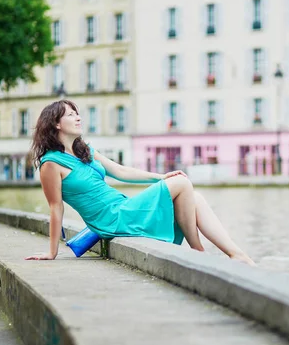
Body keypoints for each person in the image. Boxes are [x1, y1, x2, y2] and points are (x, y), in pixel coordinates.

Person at [25, 100, 255, 266]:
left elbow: (121, 171)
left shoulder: (84, 151)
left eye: (77, 113)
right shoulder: (50, 164)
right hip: (111, 220)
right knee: (183, 185)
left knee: (194, 197)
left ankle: (236, 254)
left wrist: (161, 177)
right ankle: (198, 251)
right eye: (71, 114)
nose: (78, 117)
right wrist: (52, 252)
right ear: (55, 124)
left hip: (123, 208)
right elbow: (56, 207)